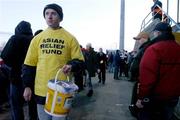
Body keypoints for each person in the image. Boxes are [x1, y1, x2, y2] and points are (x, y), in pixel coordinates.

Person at [22, 3, 84, 120]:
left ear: (60, 17)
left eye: (53, 13)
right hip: (41, 91)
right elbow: (29, 65)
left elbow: (80, 61)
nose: (49, 16)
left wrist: (72, 65)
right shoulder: (37, 39)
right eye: (47, 14)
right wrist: (27, 86)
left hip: (61, 90)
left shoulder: (70, 38)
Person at [136, 22, 180, 120]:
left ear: (158, 33)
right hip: (173, 96)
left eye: (155, 33)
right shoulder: (178, 48)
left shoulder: (154, 49)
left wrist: (141, 97)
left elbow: (147, 77)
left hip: (155, 97)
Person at [1, 21, 38, 120]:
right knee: (33, 105)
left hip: (16, 77)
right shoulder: (34, 40)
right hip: (32, 78)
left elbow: (4, 56)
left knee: (16, 106)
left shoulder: (14, 39)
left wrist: (14, 65)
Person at [129, 32, 151, 117]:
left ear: (144, 38)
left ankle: (138, 113)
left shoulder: (146, 48)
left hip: (142, 79)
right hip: (140, 78)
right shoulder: (145, 48)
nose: (138, 42)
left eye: (139, 39)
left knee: (140, 101)